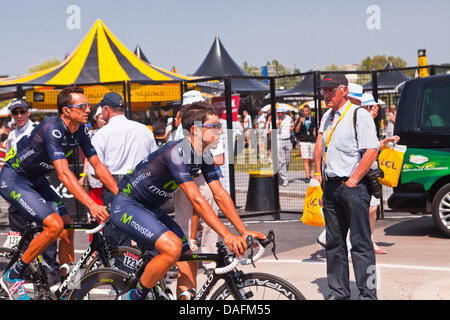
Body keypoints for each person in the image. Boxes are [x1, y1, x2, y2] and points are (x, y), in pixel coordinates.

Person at [111, 102, 265, 300]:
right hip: (128, 206)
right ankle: (133, 297)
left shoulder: (204, 154)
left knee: (190, 258)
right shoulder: (177, 153)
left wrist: (243, 231)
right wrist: (227, 235)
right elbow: (197, 199)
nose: (220, 131)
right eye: (215, 126)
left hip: (150, 209)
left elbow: (219, 194)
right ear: (195, 130)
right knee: (172, 248)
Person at [0, 86, 117, 300]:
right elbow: (63, 173)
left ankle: (67, 283)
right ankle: (12, 275)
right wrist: (92, 205)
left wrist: (120, 196)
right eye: (82, 106)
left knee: (67, 226)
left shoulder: (80, 130)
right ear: (66, 111)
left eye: (88, 105)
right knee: (54, 225)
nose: (88, 109)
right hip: (15, 179)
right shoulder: (51, 128)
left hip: (36, 180)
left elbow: (97, 165)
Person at [318, 73, 379, 300]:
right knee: (334, 245)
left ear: (344, 90)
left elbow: (371, 151)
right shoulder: (328, 117)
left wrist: (353, 181)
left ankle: (368, 294)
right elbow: (321, 146)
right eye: (324, 91)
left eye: (331, 90)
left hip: (353, 187)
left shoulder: (359, 115)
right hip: (331, 187)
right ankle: (338, 292)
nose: (326, 95)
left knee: (362, 245)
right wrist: (320, 177)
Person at [89, 92, 158, 249]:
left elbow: (96, 170)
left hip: (114, 182)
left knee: (117, 234)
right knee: (145, 230)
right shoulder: (144, 130)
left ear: (106, 109)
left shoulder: (101, 134)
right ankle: (147, 269)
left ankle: (120, 271)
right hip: (141, 183)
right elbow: (153, 160)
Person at [173, 91, 224, 276]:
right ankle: (181, 256)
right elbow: (176, 158)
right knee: (182, 220)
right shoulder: (181, 129)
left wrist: (201, 160)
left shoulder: (210, 125)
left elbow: (220, 157)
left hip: (201, 178)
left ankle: (209, 259)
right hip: (183, 179)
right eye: (187, 106)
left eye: (194, 105)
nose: (190, 110)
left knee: (209, 218)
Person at [295, 105, 316, 183]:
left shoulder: (313, 119)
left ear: (309, 111)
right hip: (303, 141)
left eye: (306, 111)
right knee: (306, 159)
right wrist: (300, 122)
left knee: (311, 159)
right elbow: (296, 130)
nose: (305, 112)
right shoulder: (300, 119)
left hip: (312, 141)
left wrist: (314, 133)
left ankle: (309, 174)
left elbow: (315, 129)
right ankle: (307, 176)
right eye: (304, 111)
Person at [277, 109, 294, 186]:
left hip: (288, 139)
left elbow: (292, 126)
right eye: (279, 113)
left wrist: (291, 128)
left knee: (287, 160)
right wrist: (278, 125)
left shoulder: (288, 118)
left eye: (282, 113)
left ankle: (282, 174)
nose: (280, 114)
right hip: (279, 140)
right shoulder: (275, 119)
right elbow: (271, 131)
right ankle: (284, 179)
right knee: (281, 160)